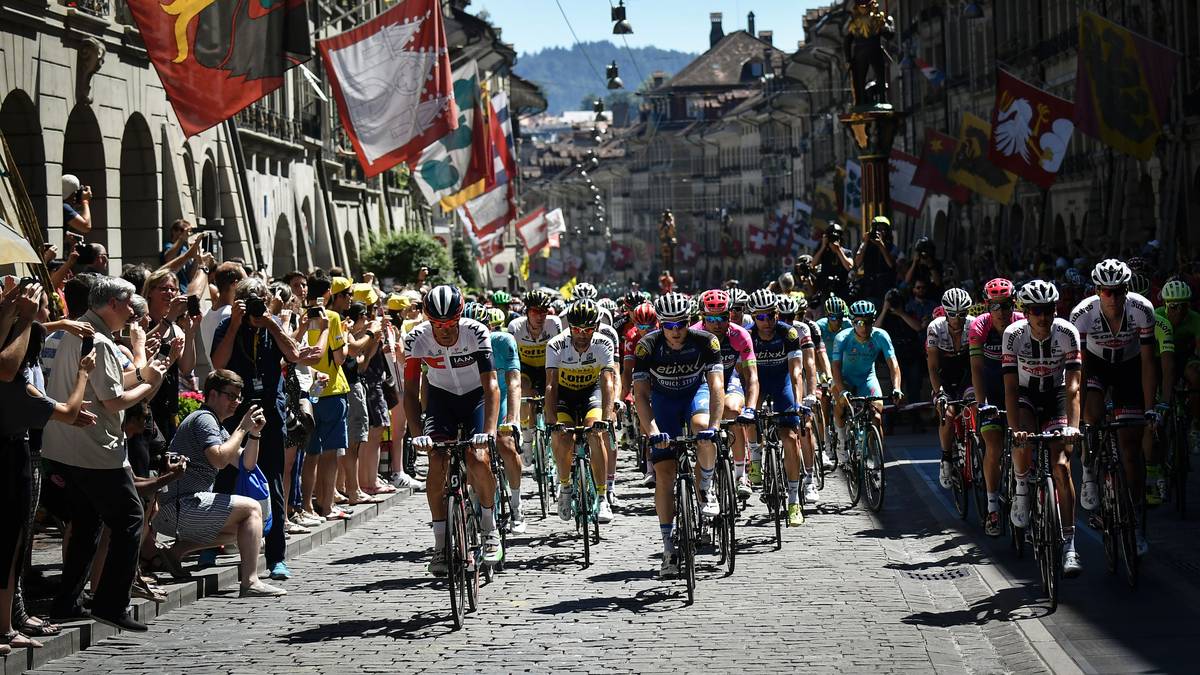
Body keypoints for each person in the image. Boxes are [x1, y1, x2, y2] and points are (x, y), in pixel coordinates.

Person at [43, 277, 170, 632]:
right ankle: (111, 603)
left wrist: (147, 368)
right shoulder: (97, 340)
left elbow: (109, 386)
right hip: (94, 451)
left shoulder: (76, 332)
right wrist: (151, 383)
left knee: (87, 525)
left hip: (66, 448)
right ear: (113, 303)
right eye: (129, 304)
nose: (133, 311)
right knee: (130, 518)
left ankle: (67, 602)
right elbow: (114, 401)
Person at [0, 283, 96, 651]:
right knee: (12, 543)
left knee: (13, 543)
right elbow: (70, 413)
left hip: (19, 452)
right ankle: (6, 625)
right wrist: (84, 373)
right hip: (13, 457)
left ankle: (11, 619)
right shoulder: (20, 386)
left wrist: (17, 311)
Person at [211, 277, 318, 581]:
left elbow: (295, 355)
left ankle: (276, 557)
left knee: (272, 480)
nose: (258, 306)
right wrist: (234, 324)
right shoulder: (229, 327)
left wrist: (271, 324)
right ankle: (211, 543)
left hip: (271, 412)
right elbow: (218, 363)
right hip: (236, 412)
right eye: (252, 301)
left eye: (262, 299)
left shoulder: (273, 327)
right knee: (228, 474)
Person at [153, 370, 287, 597]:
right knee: (252, 509)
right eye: (231, 396)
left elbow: (246, 463)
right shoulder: (204, 419)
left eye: (239, 397)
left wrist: (254, 434)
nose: (236, 402)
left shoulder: (215, 423)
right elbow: (220, 459)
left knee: (248, 529)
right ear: (213, 394)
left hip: (179, 508)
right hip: (177, 506)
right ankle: (251, 581)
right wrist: (242, 428)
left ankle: (175, 552)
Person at [403, 286, 502, 574]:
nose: (444, 331)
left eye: (450, 324)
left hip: (475, 397)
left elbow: (491, 385)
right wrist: (415, 431)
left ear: (459, 318)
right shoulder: (416, 339)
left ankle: (489, 526)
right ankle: (440, 546)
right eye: (437, 325)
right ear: (427, 320)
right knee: (437, 461)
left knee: (478, 459)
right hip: (440, 399)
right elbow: (409, 392)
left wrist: (490, 431)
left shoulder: (476, 332)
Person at [632, 292, 723, 578]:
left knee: (703, 429)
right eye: (668, 325)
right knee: (665, 473)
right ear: (660, 325)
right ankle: (669, 548)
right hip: (663, 402)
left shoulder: (706, 341)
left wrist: (716, 426)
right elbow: (641, 395)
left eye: (681, 324)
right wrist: (653, 432)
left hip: (696, 394)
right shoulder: (647, 346)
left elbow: (717, 386)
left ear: (690, 321)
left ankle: (705, 487)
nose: (675, 331)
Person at [1070, 259, 1156, 557]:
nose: (1114, 297)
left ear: (1127, 289)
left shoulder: (1142, 309)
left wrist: (1150, 407)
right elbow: (1076, 368)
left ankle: (1134, 523)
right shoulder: (1082, 314)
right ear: (1097, 291)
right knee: (1093, 413)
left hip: (1129, 367)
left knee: (1131, 449)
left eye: (1119, 291)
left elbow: (1148, 362)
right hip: (1095, 365)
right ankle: (1091, 471)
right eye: (1107, 292)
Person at [1004, 281, 1083, 577]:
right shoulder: (1013, 336)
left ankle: (1070, 544)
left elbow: (1074, 386)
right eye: (1036, 311)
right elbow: (1010, 388)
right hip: (1025, 394)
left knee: (1062, 466)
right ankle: (1022, 487)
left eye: (1048, 309)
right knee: (1022, 441)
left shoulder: (1067, 333)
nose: (1043, 316)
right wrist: (1015, 431)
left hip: (1057, 394)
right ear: (1026, 313)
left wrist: (1073, 428)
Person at [746, 289, 818, 525]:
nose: (766, 322)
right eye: (761, 317)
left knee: (789, 436)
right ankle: (755, 458)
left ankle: (794, 500)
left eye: (771, 316)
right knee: (749, 413)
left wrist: (797, 404)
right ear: (754, 317)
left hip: (782, 382)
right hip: (757, 381)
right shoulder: (748, 335)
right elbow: (745, 373)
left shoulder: (788, 333)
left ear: (777, 314)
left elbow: (797, 372)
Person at [545, 299, 616, 525]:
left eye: (588, 329)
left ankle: (603, 496)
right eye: (577, 329)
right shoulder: (556, 345)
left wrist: (607, 417)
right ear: (569, 327)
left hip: (590, 392)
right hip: (564, 394)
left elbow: (607, 383)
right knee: (564, 437)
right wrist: (551, 420)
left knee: (596, 433)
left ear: (595, 327)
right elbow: (551, 385)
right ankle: (565, 487)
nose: (582, 334)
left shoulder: (604, 343)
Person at [969, 278, 1023, 537]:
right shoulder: (980, 326)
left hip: (1019, 390)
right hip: (991, 391)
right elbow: (977, 369)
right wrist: (981, 404)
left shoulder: (1023, 323)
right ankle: (992, 509)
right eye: (994, 306)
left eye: (1006, 305)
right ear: (987, 306)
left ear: (1014, 304)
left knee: (1026, 443)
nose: (1001, 312)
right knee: (994, 445)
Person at [302, 274, 352, 520]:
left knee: (310, 454)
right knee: (330, 453)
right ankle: (327, 504)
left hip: (307, 391)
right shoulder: (332, 318)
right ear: (328, 293)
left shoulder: (301, 317)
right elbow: (341, 358)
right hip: (331, 389)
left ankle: (307, 506)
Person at [831, 300, 902, 461]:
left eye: (868, 322)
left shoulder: (881, 336)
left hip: (867, 379)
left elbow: (894, 365)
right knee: (840, 404)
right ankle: (842, 442)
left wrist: (896, 387)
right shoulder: (842, 338)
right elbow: (835, 367)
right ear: (852, 322)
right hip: (844, 378)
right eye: (859, 322)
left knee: (876, 416)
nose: (864, 327)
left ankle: (877, 461)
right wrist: (842, 390)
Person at [927, 288, 975, 490]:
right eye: (953, 314)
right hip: (944, 376)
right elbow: (932, 365)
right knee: (947, 412)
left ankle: (975, 447)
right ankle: (946, 457)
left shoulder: (973, 325)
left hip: (967, 375)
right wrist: (938, 392)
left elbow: (977, 363)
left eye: (962, 313)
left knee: (974, 405)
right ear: (945, 312)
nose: (958, 318)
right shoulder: (935, 328)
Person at [854, 216, 899, 304]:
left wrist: (881, 245)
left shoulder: (891, 247)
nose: (880, 232)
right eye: (878, 229)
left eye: (883, 229)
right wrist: (865, 242)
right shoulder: (866, 245)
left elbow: (891, 264)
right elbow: (857, 263)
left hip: (886, 287)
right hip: (870, 287)